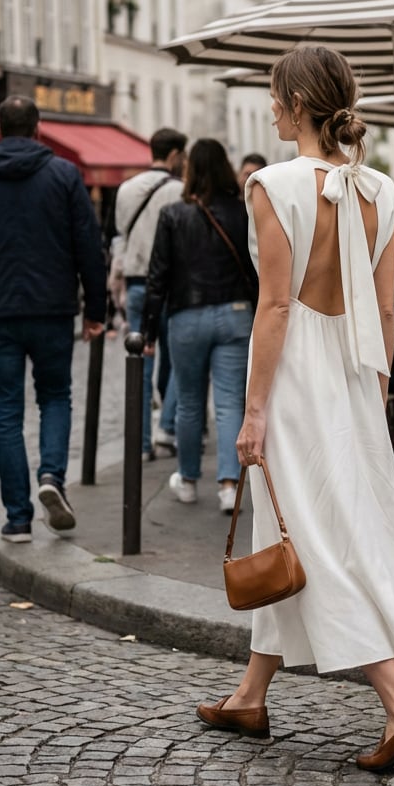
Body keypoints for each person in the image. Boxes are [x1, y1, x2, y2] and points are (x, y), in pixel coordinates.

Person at [196, 45, 394, 774]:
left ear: (298, 101)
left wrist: (254, 409)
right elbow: (387, 306)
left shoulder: (273, 184)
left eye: (275, 96)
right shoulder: (383, 189)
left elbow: (274, 305)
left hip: (297, 377)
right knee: (295, 528)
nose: (270, 108)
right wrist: (378, 393)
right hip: (357, 376)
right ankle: (249, 695)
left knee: (318, 538)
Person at [0, 96, 106, 542]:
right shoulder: (63, 175)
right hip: (53, 307)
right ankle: (51, 477)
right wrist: (96, 311)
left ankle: (17, 518)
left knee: (6, 413)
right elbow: (88, 246)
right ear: (38, 129)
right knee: (55, 396)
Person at [142, 138, 257, 513]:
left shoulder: (174, 215)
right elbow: (257, 268)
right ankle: (228, 486)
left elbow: (158, 276)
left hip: (186, 316)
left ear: (190, 170)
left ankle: (188, 480)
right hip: (235, 312)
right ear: (226, 168)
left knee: (189, 403)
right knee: (228, 404)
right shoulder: (244, 212)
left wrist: (146, 332)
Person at [115, 128, 187, 459]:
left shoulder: (126, 190)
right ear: (174, 155)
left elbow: (119, 236)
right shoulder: (181, 191)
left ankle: (141, 445)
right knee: (179, 361)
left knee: (139, 363)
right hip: (171, 285)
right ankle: (167, 428)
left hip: (135, 284)